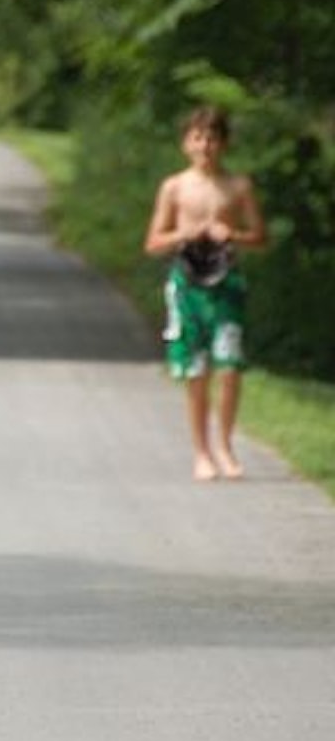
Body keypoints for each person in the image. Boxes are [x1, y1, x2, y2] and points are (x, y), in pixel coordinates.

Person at [143, 106, 267, 481]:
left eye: (212, 138)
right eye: (198, 137)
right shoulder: (175, 187)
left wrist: (234, 235)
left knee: (229, 367)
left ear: (224, 143)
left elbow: (261, 237)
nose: (205, 145)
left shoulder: (239, 187)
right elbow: (152, 243)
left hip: (226, 281)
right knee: (195, 370)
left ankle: (226, 446)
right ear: (186, 143)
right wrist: (185, 233)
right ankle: (201, 452)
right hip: (188, 284)